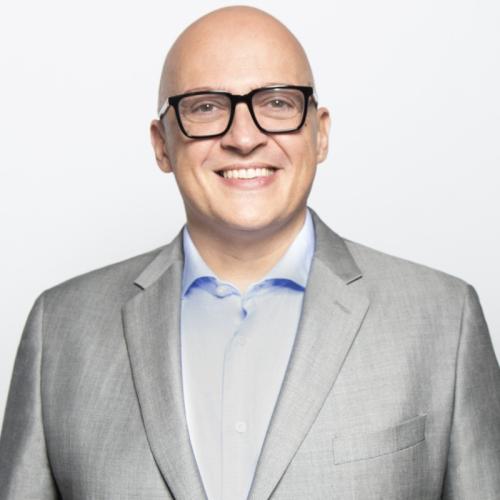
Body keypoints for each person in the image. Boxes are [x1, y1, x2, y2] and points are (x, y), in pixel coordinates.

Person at [1, 5, 499, 499]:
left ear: (320, 133)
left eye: (278, 103)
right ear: (161, 144)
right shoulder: (58, 330)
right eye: (205, 107)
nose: (243, 138)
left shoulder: (444, 321)